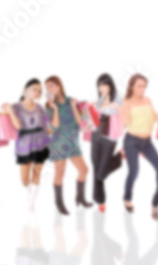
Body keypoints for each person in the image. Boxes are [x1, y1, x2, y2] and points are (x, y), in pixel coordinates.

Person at [120, 73, 158, 219]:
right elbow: (126, 123)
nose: (142, 89)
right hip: (132, 141)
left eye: (144, 86)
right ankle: (127, 198)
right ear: (132, 86)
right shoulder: (127, 102)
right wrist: (119, 110)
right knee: (134, 171)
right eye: (139, 86)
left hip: (147, 142)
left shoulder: (147, 100)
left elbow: (155, 118)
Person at [45, 76, 92, 215]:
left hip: (73, 141)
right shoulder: (49, 106)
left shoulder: (71, 101)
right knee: (60, 173)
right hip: (59, 142)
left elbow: (81, 123)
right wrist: (54, 108)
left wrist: (74, 106)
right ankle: (59, 203)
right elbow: (53, 128)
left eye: (51, 85)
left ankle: (80, 197)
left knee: (84, 170)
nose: (49, 89)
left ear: (59, 86)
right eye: (47, 87)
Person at [3, 78, 51, 211]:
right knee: (24, 180)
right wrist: (10, 111)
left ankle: (32, 201)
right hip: (24, 145)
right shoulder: (15, 107)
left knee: (37, 174)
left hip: (41, 143)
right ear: (25, 90)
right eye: (34, 89)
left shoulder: (40, 107)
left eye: (39, 90)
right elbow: (18, 126)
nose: (37, 92)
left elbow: (47, 126)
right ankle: (29, 192)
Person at [90, 73, 123, 213]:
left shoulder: (118, 97)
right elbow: (94, 115)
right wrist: (92, 108)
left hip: (109, 138)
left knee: (101, 172)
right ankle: (100, 201)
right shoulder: (100, 99)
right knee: (96, 168)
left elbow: (111, 110)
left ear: (110, 85)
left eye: (104, 84)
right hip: (96, 136)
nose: (101, 88)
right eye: (99, 85)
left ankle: (119, 158)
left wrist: (99, 106)